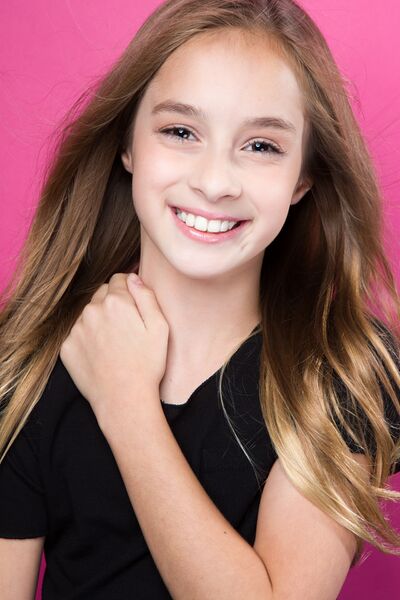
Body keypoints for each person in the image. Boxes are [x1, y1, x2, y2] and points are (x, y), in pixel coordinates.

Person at [0, 0, 399, 598]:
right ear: (128, 145)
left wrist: (127, 406)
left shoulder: (344, 370)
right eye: (181, 132)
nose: (214, 182)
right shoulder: (29, 364)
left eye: (261, 146)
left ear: (303, 177)